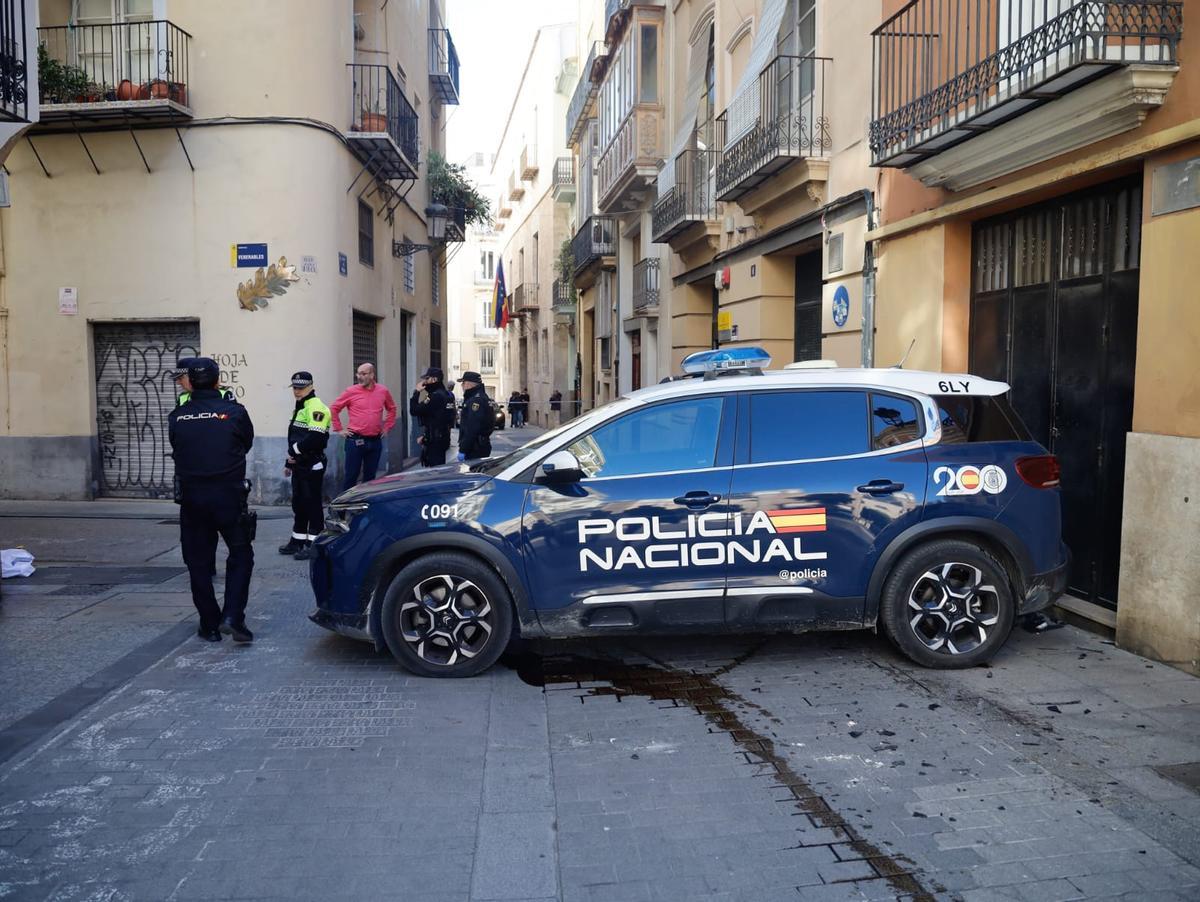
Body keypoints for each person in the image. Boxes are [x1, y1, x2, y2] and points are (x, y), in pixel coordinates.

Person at [167, 357, 256, 644]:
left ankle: (209, 623)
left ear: (189, 383)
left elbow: (177, 446)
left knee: (198, 562)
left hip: (193, 499)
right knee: (241, 554)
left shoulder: (177, 416)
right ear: (218, 381)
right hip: (229, 496)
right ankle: (233, 616)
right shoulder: (235, 412)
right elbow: (246, 443)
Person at [279, 371, 331, 561]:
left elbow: (315, 438)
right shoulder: (301, 406)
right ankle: (297, 540)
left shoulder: (317, 407)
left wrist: (294, 452)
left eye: (301, 388)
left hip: (312, 463)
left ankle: (314, 544)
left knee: (312, 504)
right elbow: (298, 436)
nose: (297, 391)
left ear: (311, 386)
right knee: (299, 503)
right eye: (295, 387)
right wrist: (290, 461)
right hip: (301, 463)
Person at [331, 362, 396, 491]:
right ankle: (344, 509)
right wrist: (339, 429)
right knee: (351, 477)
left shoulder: (382, 391)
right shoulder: (351, 391)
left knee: (370, 478)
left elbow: (392, 408)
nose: (359, 377)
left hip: (375, 441)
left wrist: (387, 427)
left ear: (372, 375)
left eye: (364, 374)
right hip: (355, 440)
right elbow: (334, 408)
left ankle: (365, 508)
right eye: (358, 373)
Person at [409, 367, 456, 467]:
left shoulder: (435, 396)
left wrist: (416, 392)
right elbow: (436, 418)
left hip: (434, 441)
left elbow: (414, 410)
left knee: (434, 473)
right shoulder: (447, 395)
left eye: (427, 379)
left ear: (434, 380)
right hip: (442, 438)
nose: (424, 382)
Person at [457, 371, 495, 462]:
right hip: (480, 444)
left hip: (475, 447)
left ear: (469, 384)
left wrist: (463, 449)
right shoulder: (482, 397)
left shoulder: (475, 400)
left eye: (463, 383)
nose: (462, 386)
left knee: (472, 473)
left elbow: (472, 427)